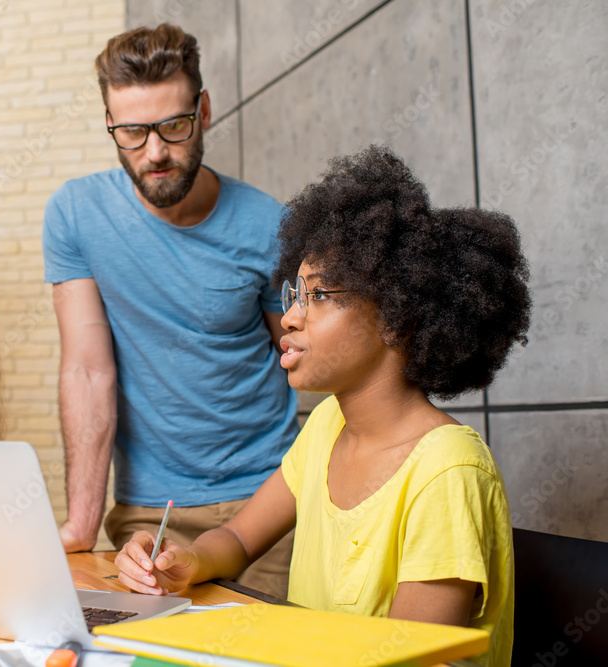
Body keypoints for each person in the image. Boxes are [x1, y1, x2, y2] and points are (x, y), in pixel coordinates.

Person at [115, 146, 530, 667]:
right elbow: (241, 538)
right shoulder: (329, 425)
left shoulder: (448, 470)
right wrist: (186, 561)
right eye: (294, 294)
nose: (288, 318)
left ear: (396, 319)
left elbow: (408, 660)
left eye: (318, 296)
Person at [43, 23, 299, 598]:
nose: (155, 153)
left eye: (173, 127)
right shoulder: (76, 215)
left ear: (203, 110)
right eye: (132, 132)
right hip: (148, 512)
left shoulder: (269, 226)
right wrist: (82, 524)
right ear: (110, 123)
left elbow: (310, 363)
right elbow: (87, 369)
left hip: (267, 504)